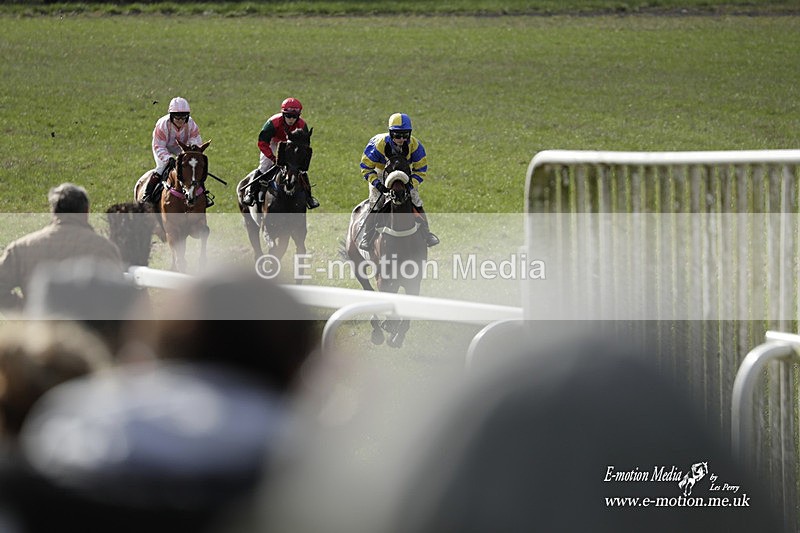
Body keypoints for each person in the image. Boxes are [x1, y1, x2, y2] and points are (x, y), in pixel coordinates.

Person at [0, 183, 122, 312]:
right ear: (86, 211)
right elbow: (118, 300)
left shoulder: (21, 248)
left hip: (40, 323)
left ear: (53, 211)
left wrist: (27, 312)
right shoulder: (105, 249)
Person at [359, 112, 438, 250]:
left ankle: (426, 233)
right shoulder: (378, 144)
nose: (401, 139)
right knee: (376, 201)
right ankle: (367, 235)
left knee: (416, 199)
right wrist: (377, 184)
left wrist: (411, 184)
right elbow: (366, 167)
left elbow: (421, 169)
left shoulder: (415, 145)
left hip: (405, 175)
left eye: (405, 135)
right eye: (397, 135)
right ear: (390, 133)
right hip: (381, 173)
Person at [242, 97, 320, 210]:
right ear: (283, 114)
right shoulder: (273, 123)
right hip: (273, 142)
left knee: (301, 170)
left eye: (294, 116)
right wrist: (273, 158)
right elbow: (262, 142)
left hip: (291, 145)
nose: (291, 119)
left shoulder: (302, 125)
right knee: (264, 166)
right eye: (288, 115)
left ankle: (309, 197)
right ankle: (250, 193)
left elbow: (305, 146)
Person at [141, 96, 214, 208]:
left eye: (183, 117)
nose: (180, 120)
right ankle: (147, 196)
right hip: (163, 147)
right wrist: (168, 158)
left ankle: (203, 195)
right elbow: (158, 146)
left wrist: (191, 151)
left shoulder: (191, 124)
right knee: (161, 168)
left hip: (182, 148)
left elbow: (195, 141)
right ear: (171, 116)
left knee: (193, 169)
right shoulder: (162, 125)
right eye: (177, 117)